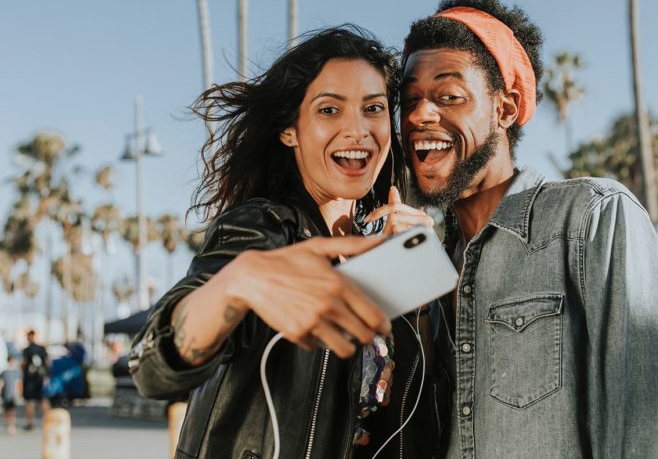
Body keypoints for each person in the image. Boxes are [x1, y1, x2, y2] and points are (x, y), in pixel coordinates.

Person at [395, 0, 658, 458]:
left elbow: (651, 433)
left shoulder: (592, 218)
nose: (418, 115)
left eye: (448, 96)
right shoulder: (428, 269)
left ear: (507, 108)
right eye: (410, 99)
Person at [129, 26, 445, 459]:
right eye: (329, 110)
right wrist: (235, 283)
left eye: (372, 108)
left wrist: (419, 283)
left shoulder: (386, 249)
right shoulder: (264, 229)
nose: (357, 129)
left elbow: (418, 410)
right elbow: (152, 369)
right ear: (289, 131)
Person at [21, 329, 49, 430]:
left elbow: (23, 363)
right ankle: (48, 420)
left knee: (28, 400)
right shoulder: (42, 349)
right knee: (42, 399)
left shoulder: (27, 350)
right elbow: (47, 362)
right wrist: (46, 374)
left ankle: (30, 422)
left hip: (29, 379)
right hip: (40, 378)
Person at [1, 354, 21, 435]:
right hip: (7, 394)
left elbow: (19, 383)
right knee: (8, 411)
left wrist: (19, 393)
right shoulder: (5, 372)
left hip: (11, 394)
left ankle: (11, 426)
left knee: (11, 411)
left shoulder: (16, 372)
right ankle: (10, 425)